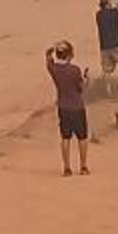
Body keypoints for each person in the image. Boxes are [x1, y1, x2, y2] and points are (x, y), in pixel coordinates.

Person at [46, 41, 91, 176]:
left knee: (65, 138)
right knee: (82, 138)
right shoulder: (74, 70)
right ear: (70, 55)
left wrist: (50, 51)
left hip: (63, 107)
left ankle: (66, 168)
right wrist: (87, 80)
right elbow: (81, 88)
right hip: (77, 107)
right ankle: (83, 166)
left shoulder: (53, 69)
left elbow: (48, 59)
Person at [95, 0, 118, 87]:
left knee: (107, 72)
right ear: (108, 4)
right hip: (117, 45)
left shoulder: (99, 14)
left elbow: (111, 12)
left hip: (104, 47)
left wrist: (116, 6)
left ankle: (107, 90)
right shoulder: (116, 13)